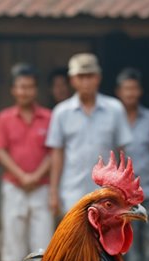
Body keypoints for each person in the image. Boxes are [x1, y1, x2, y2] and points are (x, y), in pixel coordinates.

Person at [46, 53, 132, 215]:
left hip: (107, 194)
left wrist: (123, 190)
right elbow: (57, 154)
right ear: (72, 80)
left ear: (98, 78)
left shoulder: (115, 109)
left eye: (90, 76)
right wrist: (53, 192)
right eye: (81, 76)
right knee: (75, 239)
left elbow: (122, 154)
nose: (85, 82)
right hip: (72, 191)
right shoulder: (61, 112)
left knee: (106, 238)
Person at [0, 63, 53, 261]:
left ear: (36, 90)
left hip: (42, 185)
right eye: (20, 86)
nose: (24, 91)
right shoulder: (4, 118)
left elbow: (54, 150)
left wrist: (35, 176)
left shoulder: (49, 117)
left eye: (29, 86)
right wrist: (22, 175)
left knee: (43, 242)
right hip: (13, 185)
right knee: (13, 238)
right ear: (13, 90)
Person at [116, 67, 149, 261]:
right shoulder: (112, 118)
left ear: (140, 91)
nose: (130, 93)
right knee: (129, 248)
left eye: (134, 88)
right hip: (122, 197)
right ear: (119, 91)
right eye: (126, 89)